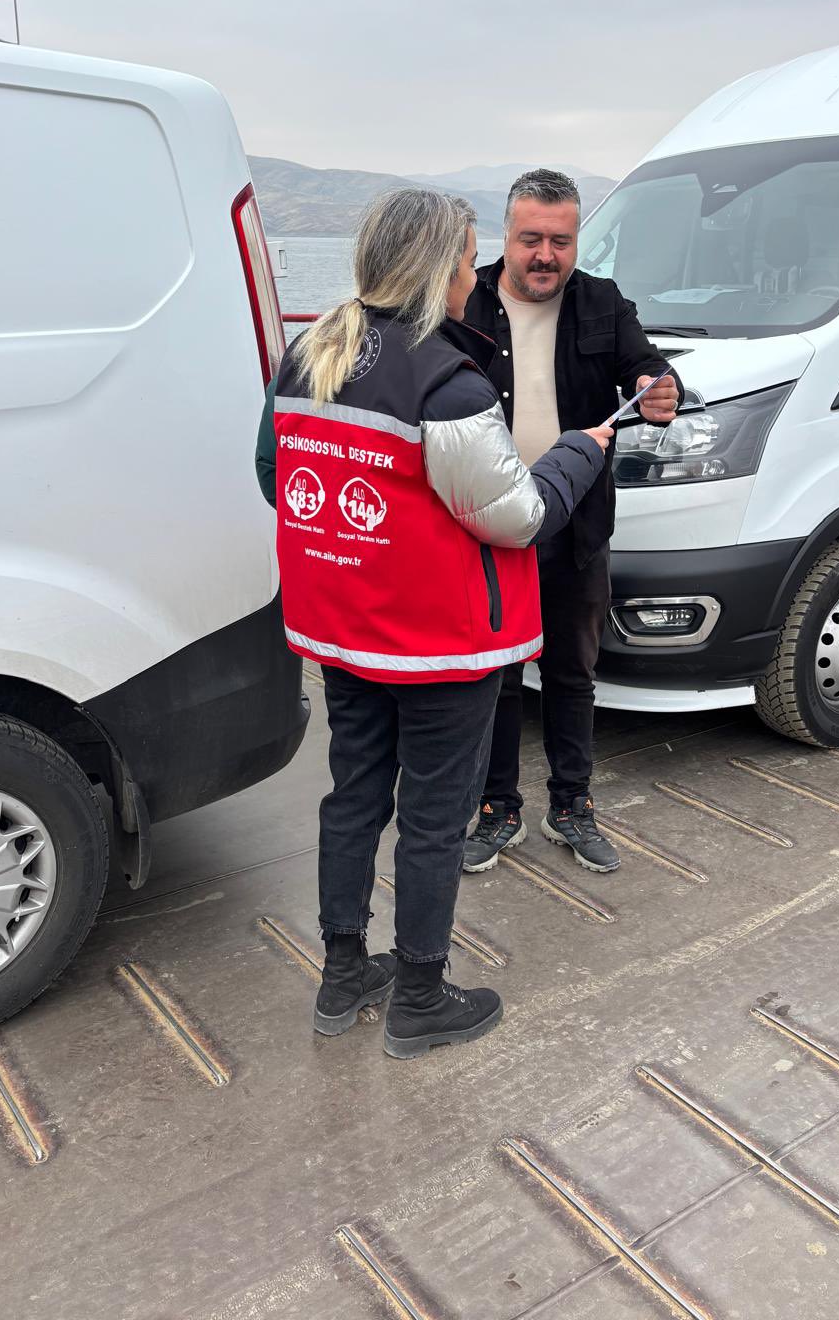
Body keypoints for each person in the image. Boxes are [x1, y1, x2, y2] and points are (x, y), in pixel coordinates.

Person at [255, 187, 611, 1058]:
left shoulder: (313, 353)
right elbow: (518, 516)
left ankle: (343, 974)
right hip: (439, 645)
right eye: (467, 260)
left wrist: (370, 543)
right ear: (439, 271)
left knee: (353, 798)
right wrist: (579, 452)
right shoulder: (448, 384)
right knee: (433, 817)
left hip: (346, 628)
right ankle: (419, 995)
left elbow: (275, 473)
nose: (473, 277)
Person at [462, 169, 679, 876]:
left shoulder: (602, 301)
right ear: (505, 235)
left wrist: (659, 387)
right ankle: (497, 809)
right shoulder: (464, 301)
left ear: (577, 239)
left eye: (560, 241)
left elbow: (646, 365)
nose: (545, 256)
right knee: (494, 677)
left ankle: (571, 805)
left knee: (571, 673)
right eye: (531, 239)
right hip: (487, 526)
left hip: (576, 528)